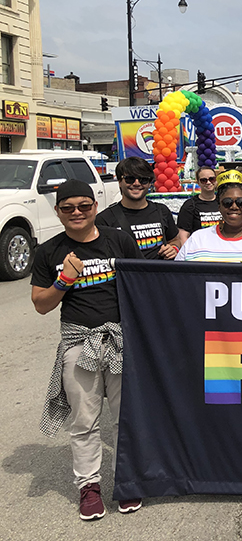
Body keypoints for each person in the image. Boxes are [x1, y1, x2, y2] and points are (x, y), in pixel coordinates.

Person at [31, 180, 143, 520]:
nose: (77, 212)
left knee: (127, 419)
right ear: (58, 212)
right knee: (84, 421)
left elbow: (142, 285)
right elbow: (40, 304)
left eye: (83, 205)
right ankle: (89, 487)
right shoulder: (49, 251)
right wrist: (64, 280)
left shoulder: (119, 240)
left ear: (95, 206)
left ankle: (127, 480)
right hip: (79, 344)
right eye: (68, 208)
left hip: (122, 340)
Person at [96, 157, 180, 260]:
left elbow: (175, 240)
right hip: (126, 275)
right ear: (119, 181)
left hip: (159, 274)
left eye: (143, 180)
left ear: (149, 183)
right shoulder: (104, 219)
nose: (136, 183)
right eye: (130, 179)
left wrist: (174, 248)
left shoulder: (162, 211)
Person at [176, 166, 221, 245]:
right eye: (204, 180)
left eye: (211, 179)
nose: (208, 182)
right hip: (200, 250)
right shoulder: (190, 205)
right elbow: (183, 235)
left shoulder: (223, 202)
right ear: (198, 183)